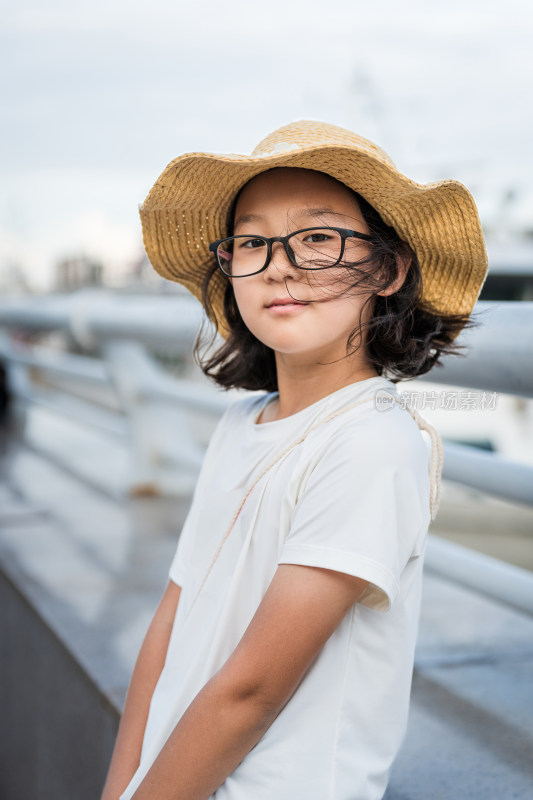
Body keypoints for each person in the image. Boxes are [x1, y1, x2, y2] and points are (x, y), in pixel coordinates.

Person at [101, 120, 489, 800]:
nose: (279, 264)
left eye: (317, 239)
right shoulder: (238, 424)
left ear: (388, 268)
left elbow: (251, 690)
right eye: (251, 241)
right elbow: (170, 620)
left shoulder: (370, 444)